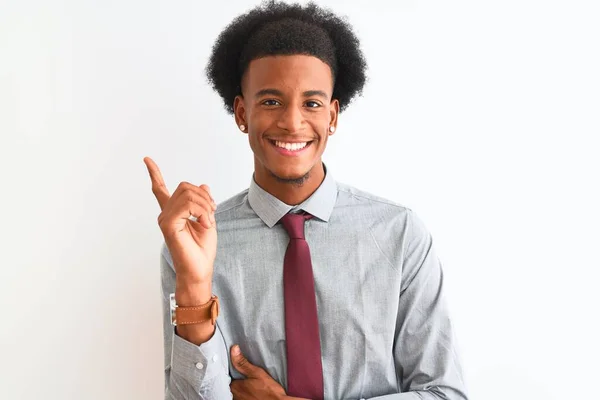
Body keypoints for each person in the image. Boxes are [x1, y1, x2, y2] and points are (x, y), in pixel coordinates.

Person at [144, 1, 468, 399]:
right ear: (242, 113)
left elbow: (445, 393)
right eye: (270, 101)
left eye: (312, 103)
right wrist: (195, 285)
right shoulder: (194, 244)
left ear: (332, 116)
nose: (293, 122)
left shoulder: (399, 234)